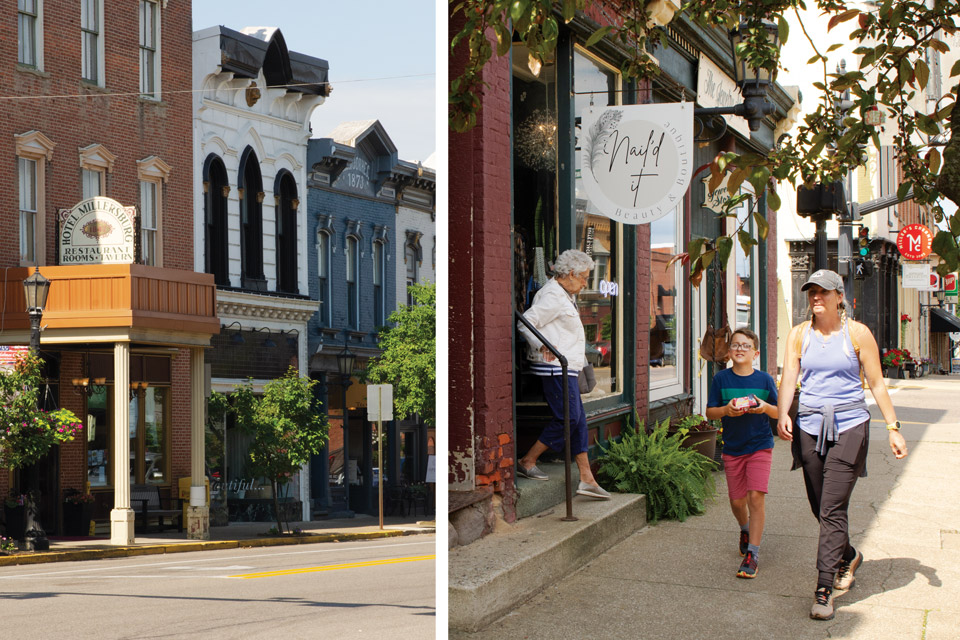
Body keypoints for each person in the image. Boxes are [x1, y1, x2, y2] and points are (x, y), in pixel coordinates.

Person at [777, 269, 908, 621]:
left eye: (823, 292)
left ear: (839, 296)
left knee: (832, 509)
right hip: (809, 423)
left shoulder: (857, 334)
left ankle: (824, 588)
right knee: (820, 506)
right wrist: (783, 413)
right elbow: (790, 376)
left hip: (850, 425)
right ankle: (848, 555)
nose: (816, 297)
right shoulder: (799, 335)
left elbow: (877, 384)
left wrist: (893, 427)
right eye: (811, 292)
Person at [516, 249, 610, 500]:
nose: (585, 282)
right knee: (568, 419)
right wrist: (542, 345)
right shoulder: (552, 296)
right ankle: (527, 460)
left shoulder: (564, 295)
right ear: (571, 274)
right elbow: (525, 322)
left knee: (578, 421)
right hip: (555, 369)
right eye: (584, 278)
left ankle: (587, 478)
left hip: (568, 369)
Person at [705, 328, 778, 580]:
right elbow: (710, 413)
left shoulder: (765, 380)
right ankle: (744, 529)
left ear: (755, 353)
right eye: (735, 345)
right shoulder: (721, 380)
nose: (739, 349)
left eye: (745, 346)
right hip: (733, 448)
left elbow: (778, 412)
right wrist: (726, 409)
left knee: (755, 496)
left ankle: (753, 554)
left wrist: (764, 407)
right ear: (729, 351)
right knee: (737, 502)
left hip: (760, 445)